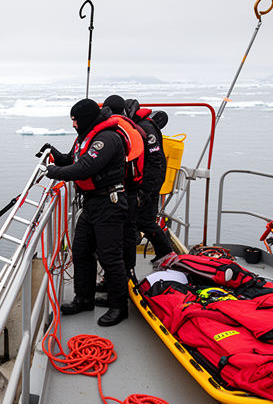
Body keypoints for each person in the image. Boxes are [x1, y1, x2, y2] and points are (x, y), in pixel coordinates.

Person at [39, 99, 136, 326]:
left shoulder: (107, 139)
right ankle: (84, 298)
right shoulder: (86, 136)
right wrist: (53, 153)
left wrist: (53, 172)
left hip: (109, 203)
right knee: (81, 251)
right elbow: (73, 159)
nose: (73, 124)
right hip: (93, 204)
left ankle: (118, 306)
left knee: (110, 257)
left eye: (75, 120)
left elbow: (85, 168)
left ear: (84, 119)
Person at [104, 96, 174, 271]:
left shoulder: (145, 128)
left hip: (149, 184)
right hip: (144, 184)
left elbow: (155, 160)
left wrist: (146, 190)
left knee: (145, 221)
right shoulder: (136, 126)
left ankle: (166, 254)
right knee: (141, 222)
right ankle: (164, 253)